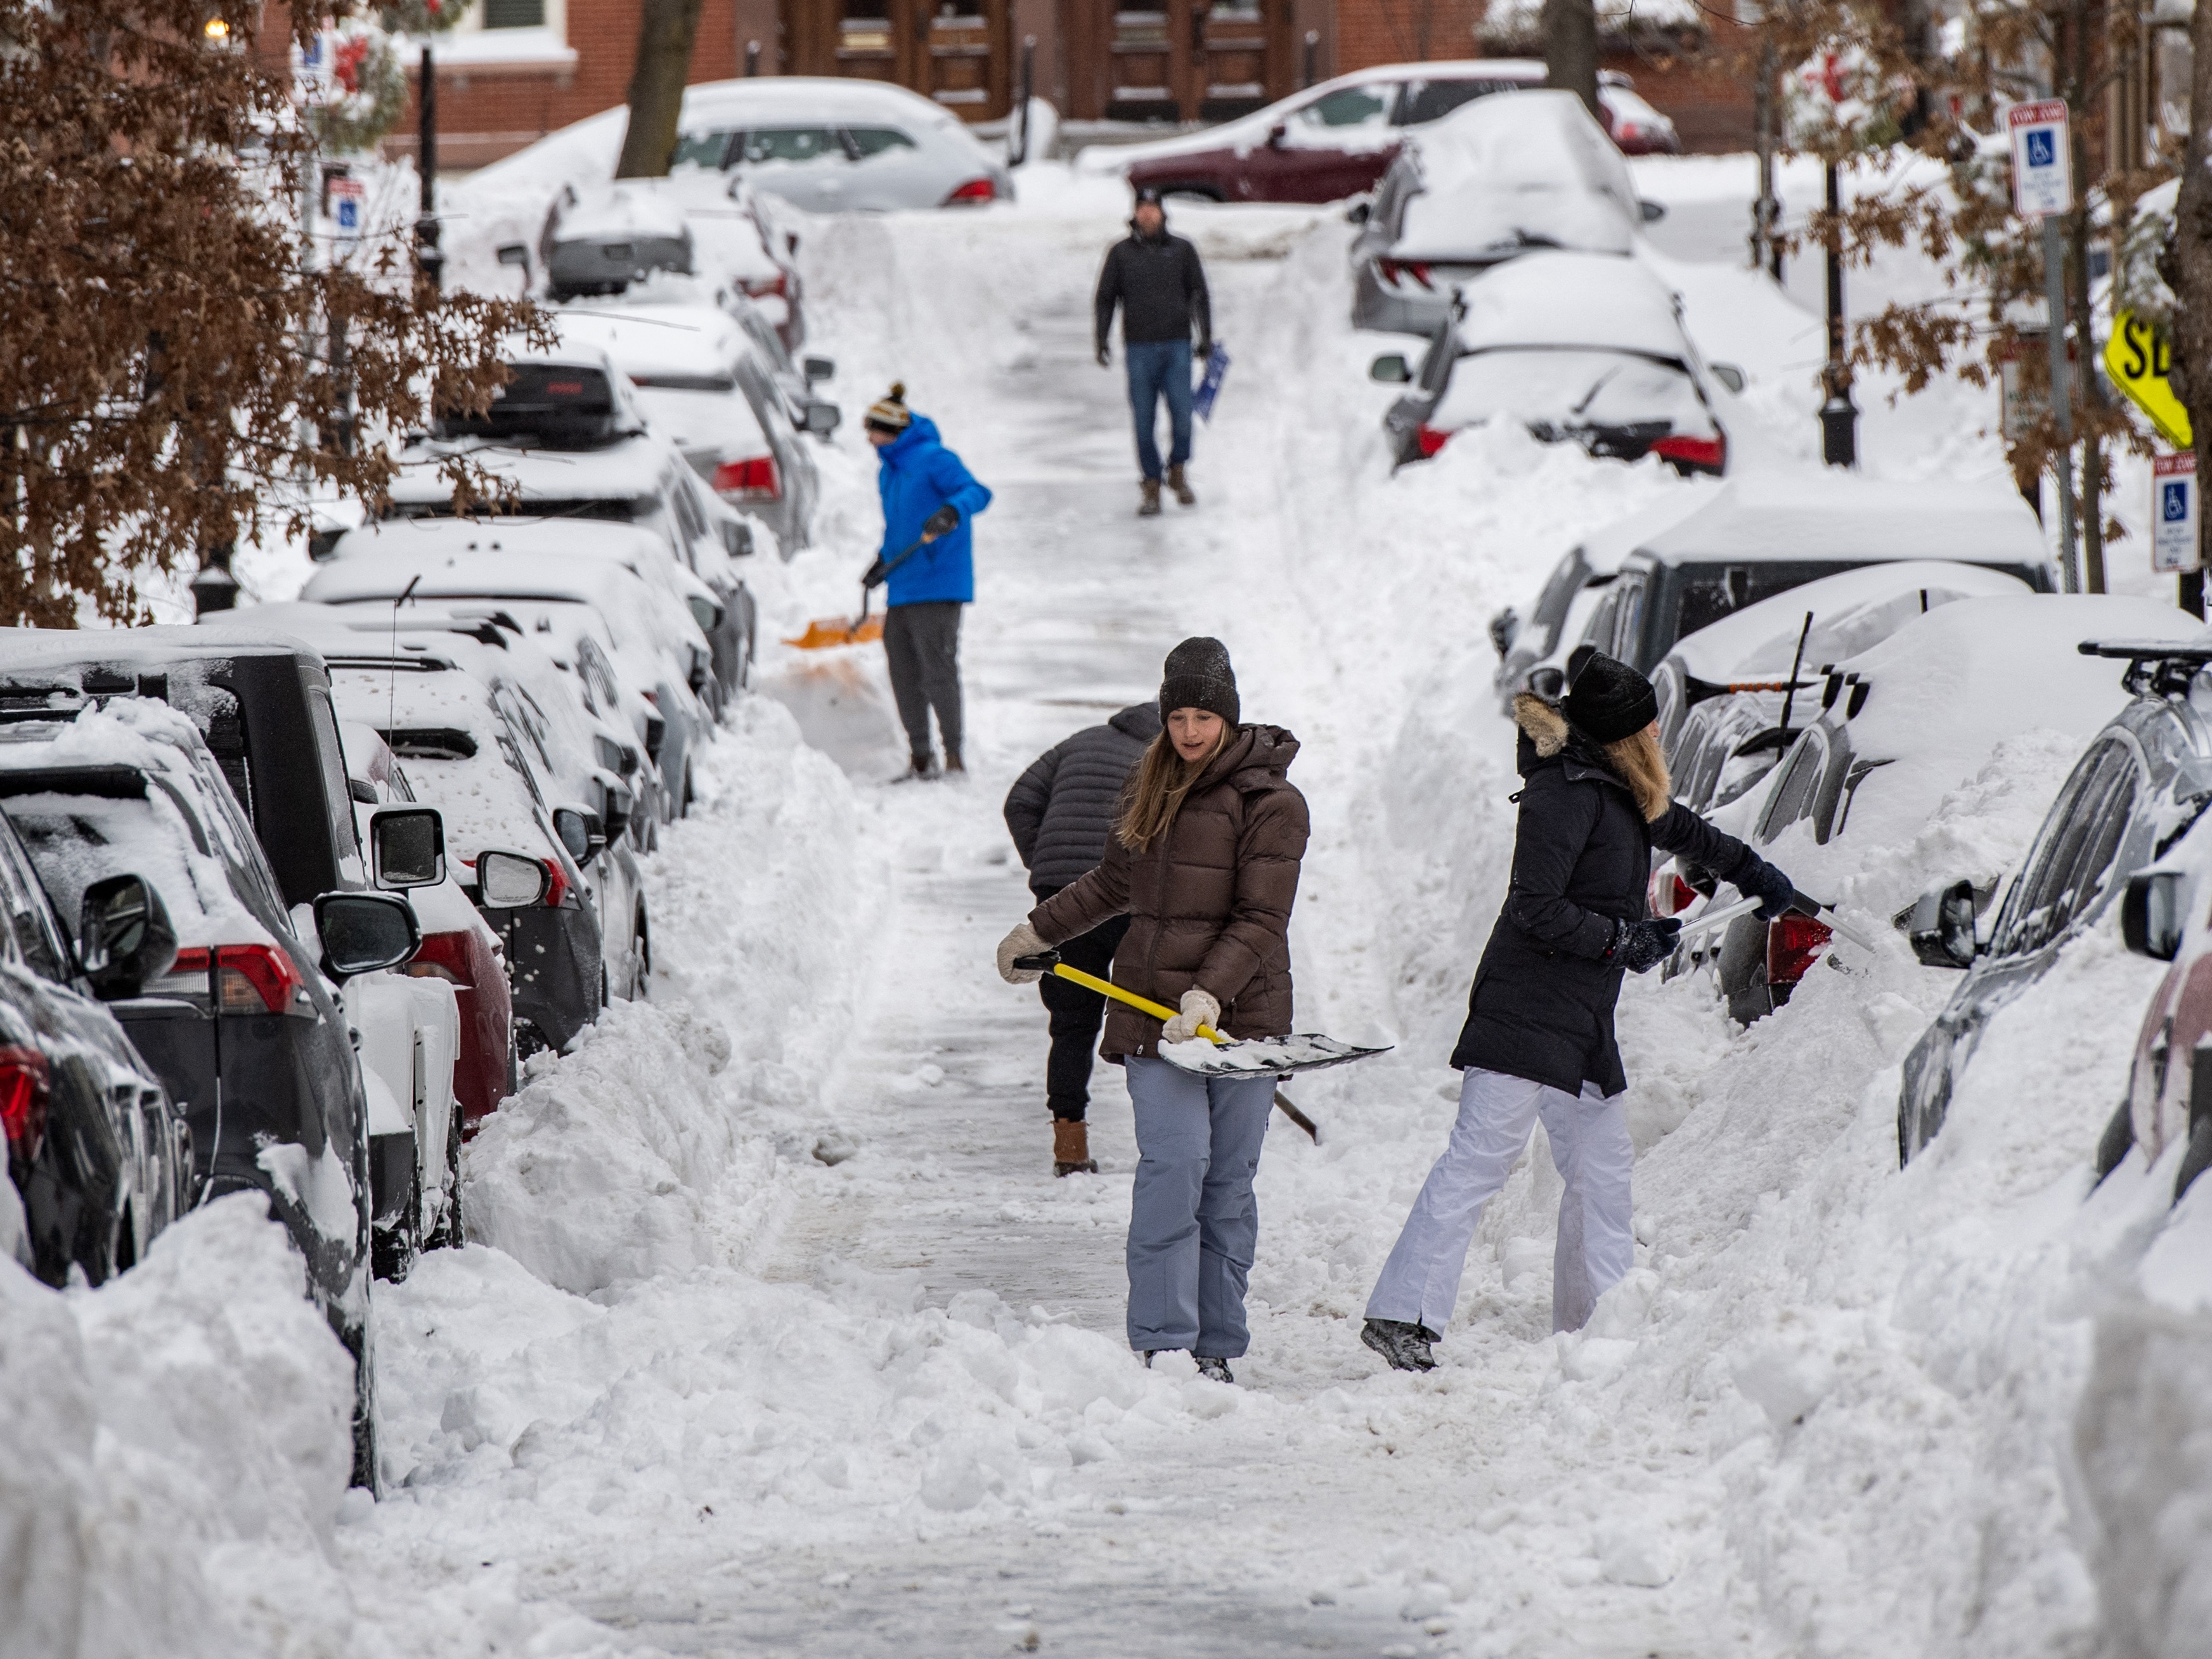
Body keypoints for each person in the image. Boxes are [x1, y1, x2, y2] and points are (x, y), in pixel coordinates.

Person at [1360, 650, 1800, 1373]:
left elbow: (1685, 830)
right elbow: (1534, 906)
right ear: (1625, 736)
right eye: (1652, 727)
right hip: (1527, 1007)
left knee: (1601, 1165)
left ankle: (1600, 1319)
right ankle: (1401, 1313)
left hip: (1580, 1015)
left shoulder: (1617, 785)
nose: (1661, 734)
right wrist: (1619, 939)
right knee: (1482, 1158)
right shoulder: (1563, 794)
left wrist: (1753, 871)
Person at [995, 639, 1305, 1383]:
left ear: (1228, 716)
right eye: (1179, 717)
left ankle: (1218, 1344)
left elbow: (1262, 918)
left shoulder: (1274, 803)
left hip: (1241, 1027)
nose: (1191, 732)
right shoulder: (1149, 787)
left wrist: (1211, 994)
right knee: (1175, 1165)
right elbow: (1110, 883)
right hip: (1152, 1017)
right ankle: (1165, 1339)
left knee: (1226, 1186)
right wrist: (1039, 930)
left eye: (1204, 716)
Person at [1002, 701, 1164, 1177]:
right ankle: (1166, 1139)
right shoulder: (1163, 760)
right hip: (1128, 895)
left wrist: (1048, 866)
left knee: (1072, 1019)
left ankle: (1068, 1140)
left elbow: (1019, 801)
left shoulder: (1080, 740)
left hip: (1062, 897)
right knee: (1151, 1013)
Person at [863, 383, 993, 780]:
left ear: (893, 431)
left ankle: (954, 756)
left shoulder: (935, 458)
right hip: (903, 584)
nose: (869, 438)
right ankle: (921, 757)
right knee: (902, 671)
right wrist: (881, 562)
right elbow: (898, 528)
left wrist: (952, 511)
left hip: (939, 583)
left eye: (875, 431)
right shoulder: (889, 470)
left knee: (937, 671)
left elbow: (978, 492)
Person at [1093, 186, 1212, 519]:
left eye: (1153, 207)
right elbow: (1105, 298)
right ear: (1135, 213)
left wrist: (1205, 336)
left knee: (1183, 417)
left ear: (1163, 212)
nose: (1147, 213)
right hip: (1139, 349)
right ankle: (1150, 483)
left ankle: (1177, 469)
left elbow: (1199, 294)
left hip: (1177, 346)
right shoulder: (1120, 253)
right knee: (1144, 421)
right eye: (1142, 208)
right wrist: (1101, 339)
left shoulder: (1183, 250)